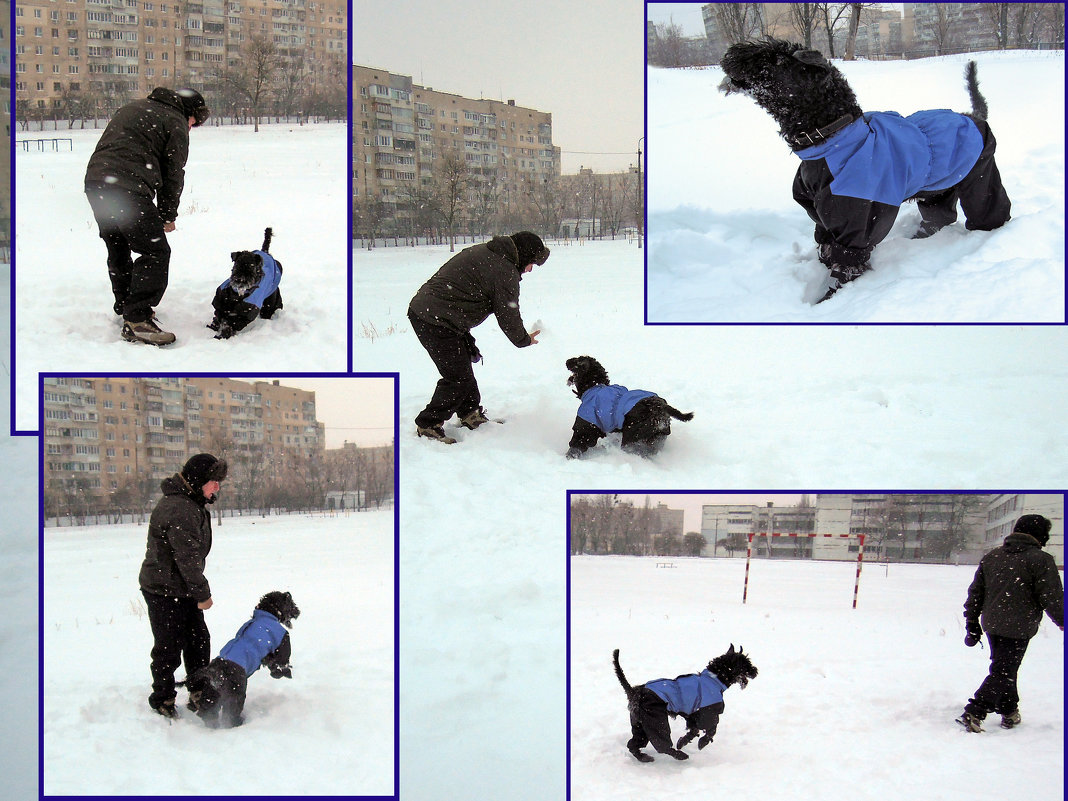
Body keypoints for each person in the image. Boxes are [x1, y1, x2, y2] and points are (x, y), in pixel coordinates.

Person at [84, 87, 210, 346]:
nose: (191, 129)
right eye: (194, 124)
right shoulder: (174, 120)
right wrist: (167, 215)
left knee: (118, 245)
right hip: (127, 188)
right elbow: (173, 173)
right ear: (189, 113)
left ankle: (126, 305)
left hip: (97, 183)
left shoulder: (134, 107)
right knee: (155, 252)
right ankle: (137, 319)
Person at [407, 231, 549, 443]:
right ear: (524, 256)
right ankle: (428, 424)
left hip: (438, 314)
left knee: (462, 366)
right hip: (434, 319)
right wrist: (523, 339)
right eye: (531, 264)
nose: (529, 270)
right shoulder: (504, 270)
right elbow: (507, 312)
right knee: (457, 377)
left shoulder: (491, 252)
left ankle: (469, 413)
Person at [138, 453, 227, 718]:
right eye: (214, 481)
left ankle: (199, 690)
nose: (217, 487)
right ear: (199, 480)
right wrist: (203, 594)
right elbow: (186, 558)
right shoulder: (180, 508)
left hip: (180, 587)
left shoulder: (191, 502)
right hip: (163, 589)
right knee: (168, 646)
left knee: (198, 641)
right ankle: (162, 698)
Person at [957, 514, 1063, 732]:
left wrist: (972, 621)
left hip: (993, 624)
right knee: (1004, 670)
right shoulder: (1041, 560)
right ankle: (975, 710)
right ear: (1040, 535)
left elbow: (976, 593)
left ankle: (1008, 709)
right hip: (1019, 626)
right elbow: (1052, 597)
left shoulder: (993, 556)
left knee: (1004, 668)